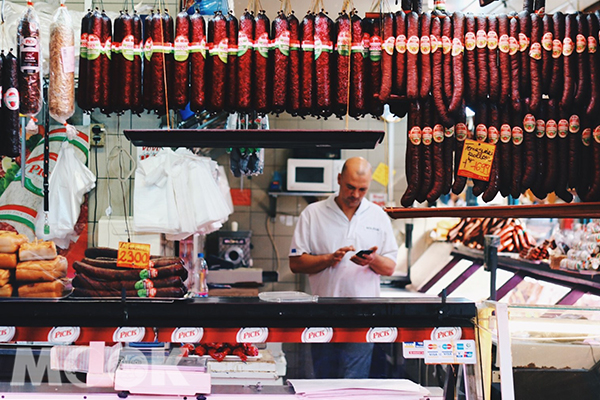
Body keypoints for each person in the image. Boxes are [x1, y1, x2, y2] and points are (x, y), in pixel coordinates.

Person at [289, 157, 398, 378]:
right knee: (323, 380)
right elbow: (296, 263)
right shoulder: (313, 213)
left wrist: (372, 260)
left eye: (362, 189)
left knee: (354, 380)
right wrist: (329, 259)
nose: (355, 195)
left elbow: (390, 268)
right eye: (350, 187)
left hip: (364, 315)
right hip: (323, 313)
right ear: (339, 179)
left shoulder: (378, 216)